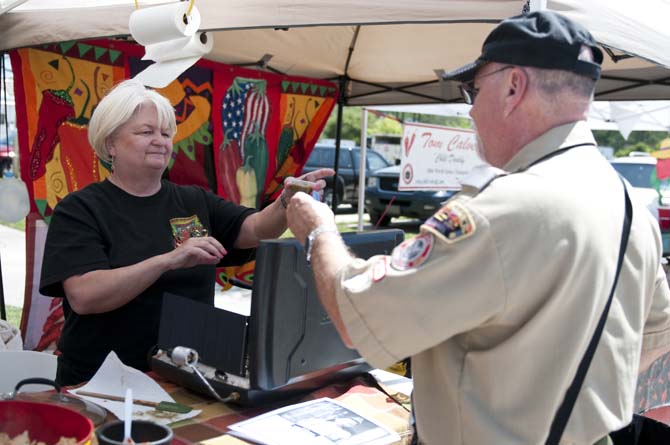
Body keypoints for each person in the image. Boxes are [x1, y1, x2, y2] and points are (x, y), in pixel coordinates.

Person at [286, 11, 670, 445]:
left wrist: (316, 229)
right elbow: (653, 335)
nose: (469, 109)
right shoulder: (629, 204)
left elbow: (358, 311)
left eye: (473, 89)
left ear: (512, 87)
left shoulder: (501, 208)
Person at [39, 79, 334, 386]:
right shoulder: (80, 209)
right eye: (145, 132)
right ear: (110, 142)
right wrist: (168, 260)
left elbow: (255, 229)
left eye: (166, 133)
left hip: (189, 374)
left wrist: (287, 201)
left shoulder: (192, 200)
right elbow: (85, 296)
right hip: (100, 382)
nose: (160, 140)